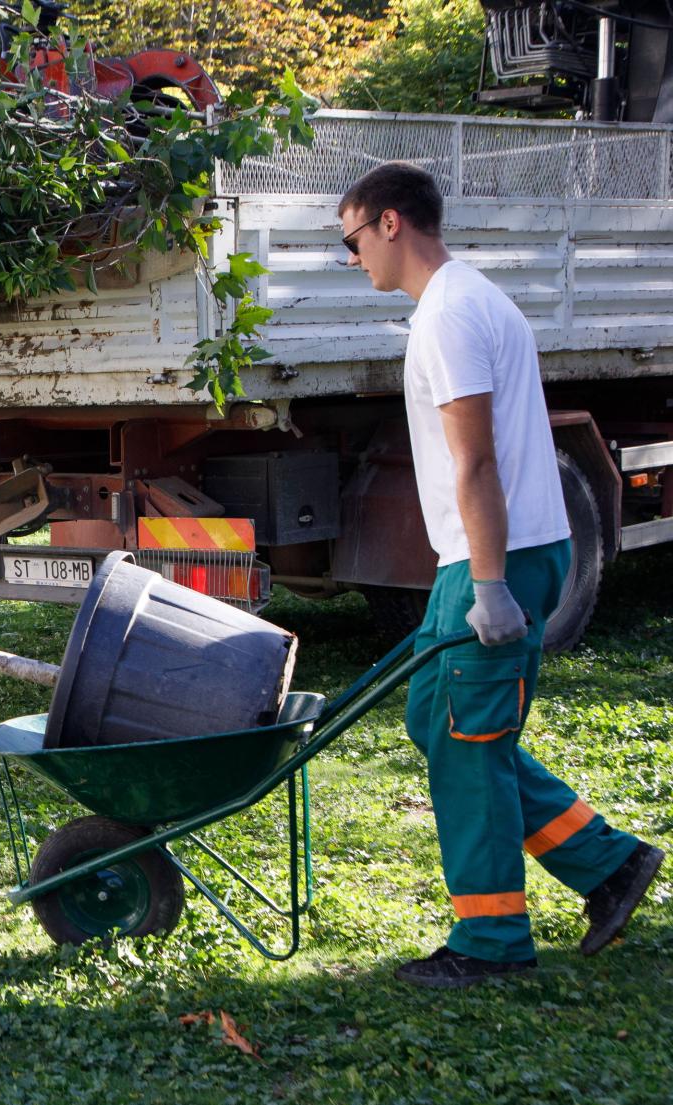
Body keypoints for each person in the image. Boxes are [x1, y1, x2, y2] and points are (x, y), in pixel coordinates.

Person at [338, 163, 662, 988]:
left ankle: (490, 943)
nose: (351, 261)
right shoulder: (474, 298)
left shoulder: (447, 317)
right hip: (505, 548)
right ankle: (609, 863)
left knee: (469, 742)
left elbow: (475, 460)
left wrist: (487, 585)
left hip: (501, 556)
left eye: (350, 241)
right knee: (436, 719)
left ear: (389, 223)